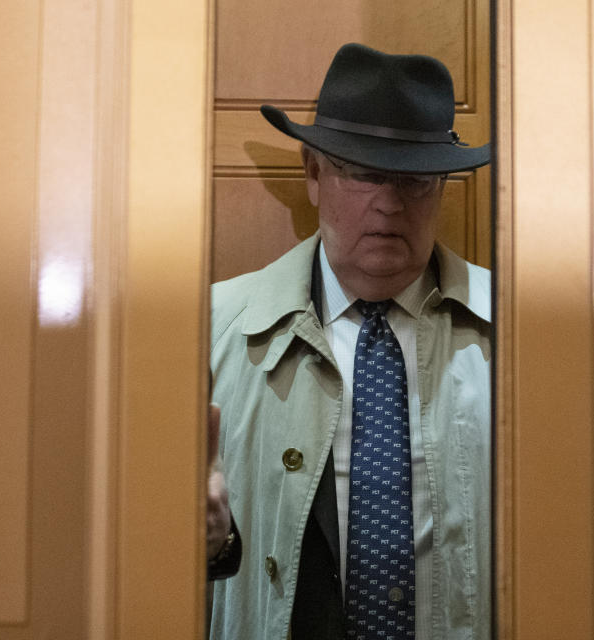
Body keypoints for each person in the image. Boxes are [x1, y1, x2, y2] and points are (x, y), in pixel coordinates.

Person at [208, 43, 491, 639]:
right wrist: (210, 541)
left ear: (442, 185)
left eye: (415, 179)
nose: (390, 202)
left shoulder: (523, 338)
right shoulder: (212, 331)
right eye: (364, 172)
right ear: (313, 174)